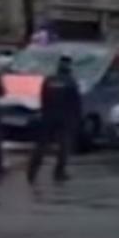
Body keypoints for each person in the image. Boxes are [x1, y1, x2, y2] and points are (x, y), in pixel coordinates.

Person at [27, 56, 83, 184]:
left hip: (48, 117)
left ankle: (32, 172)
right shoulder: (70, 82)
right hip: (64, 118)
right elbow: (75, 103)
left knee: (41, 145)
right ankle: (59, 172)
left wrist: (44, 113)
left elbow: (43, 98)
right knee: (64, 146)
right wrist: (77, 119)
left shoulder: (49, 80)